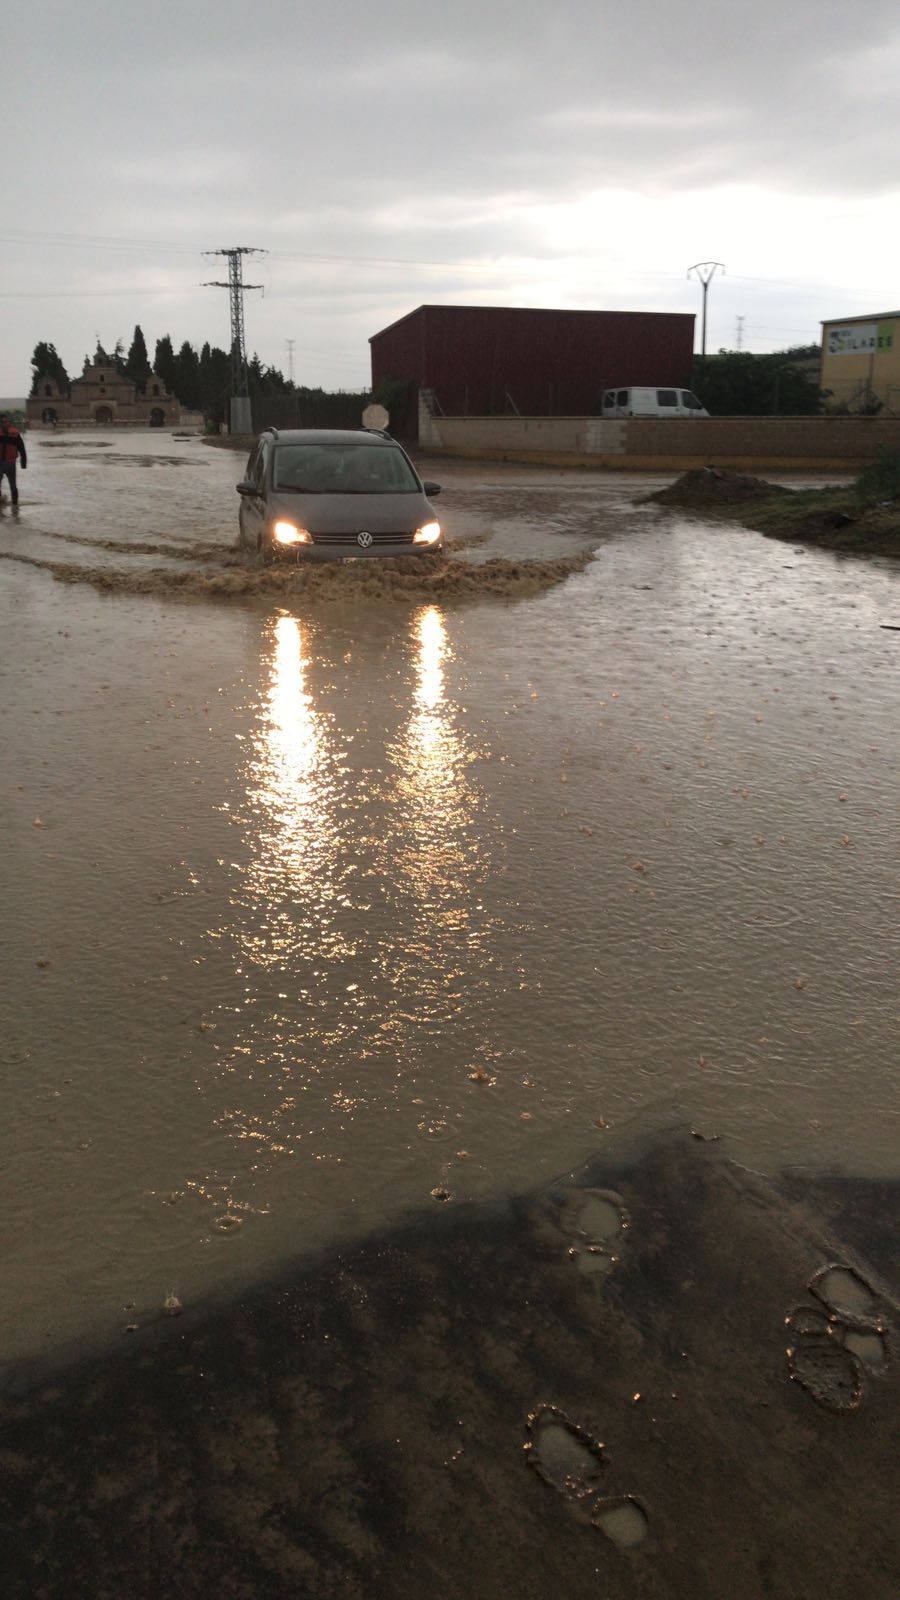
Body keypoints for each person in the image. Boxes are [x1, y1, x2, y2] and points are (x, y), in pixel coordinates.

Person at [0, 413, 27, 505]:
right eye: (2, 422)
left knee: (13, 485)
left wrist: (23, 463)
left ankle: (15, 507)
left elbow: (22, 449)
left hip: (10, 464)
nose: (4, 424)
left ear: (9, 422)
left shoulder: (15, 433)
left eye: (6, 422)